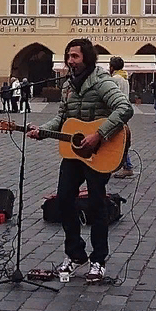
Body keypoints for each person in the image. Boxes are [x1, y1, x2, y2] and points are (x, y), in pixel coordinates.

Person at [28, 39, 133, 283]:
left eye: (75, 56)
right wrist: (41, 130)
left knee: (97, 205)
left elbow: (124, 108)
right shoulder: (67, 86)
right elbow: (63, 120)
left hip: (100, 152)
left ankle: (98, 259)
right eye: (68, 56)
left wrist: (99, 134)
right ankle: (75, 254)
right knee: (64, 200)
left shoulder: (102, 81)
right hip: (74, 155)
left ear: (86, 57)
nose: (70, 61)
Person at [109, 56, 135, 177]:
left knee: (119, 140)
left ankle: (127, 166)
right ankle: (118, 164)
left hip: (116, 112)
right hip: (124, 110)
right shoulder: (125, 78)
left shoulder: (115, 79)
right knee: (121, 139)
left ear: (112, 67)